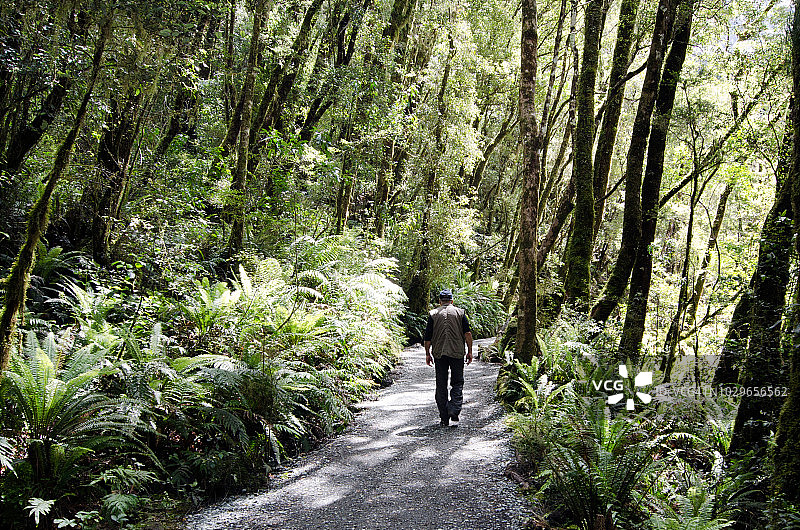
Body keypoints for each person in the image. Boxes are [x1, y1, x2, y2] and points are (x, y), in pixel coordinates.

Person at [424, 289, 473, 427]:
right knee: (457, 382)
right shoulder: (461, 313)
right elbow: (467, 333)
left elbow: (427, 337)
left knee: (441, 384)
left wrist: (427, 353)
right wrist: (469, 351)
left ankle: (444, 418)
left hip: (439, 353)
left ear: (440, 301)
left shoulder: (433, 314)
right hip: (457, 352)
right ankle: (454, 409)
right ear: (452, 301)